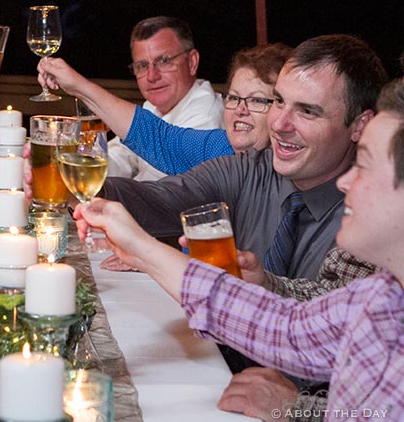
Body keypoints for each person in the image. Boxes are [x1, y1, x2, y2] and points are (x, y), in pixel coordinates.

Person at [74, 75, 404, 421]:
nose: (346, 181)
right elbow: (285, 329)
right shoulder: (381, 296)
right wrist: (140, 247)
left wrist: (293, 409)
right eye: (275, 101)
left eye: (364, 166)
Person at [99, 34, 387, 281]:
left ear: (359, 125)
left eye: (307, 111)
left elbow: (327, 321)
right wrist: (78, 184)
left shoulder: (373, 218)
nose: (279, 125)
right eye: (278, 102)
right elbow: (157, 199)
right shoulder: (250, 169)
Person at [40, 42, 292, 175]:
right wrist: (76, 86)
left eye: (258, 100)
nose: (241, 110)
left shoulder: (287, 169)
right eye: (234, 98)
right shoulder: (222, 146)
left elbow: (172, 197)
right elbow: (157, 138)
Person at [40, 16, 224, 181]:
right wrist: (72, 158)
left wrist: (78, 86)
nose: (152, 76)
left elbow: (164, 190)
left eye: (164, 61)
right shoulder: (155, 107)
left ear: (192, 62)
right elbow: (119, 157)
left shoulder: (205, 116)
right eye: (142, 65)